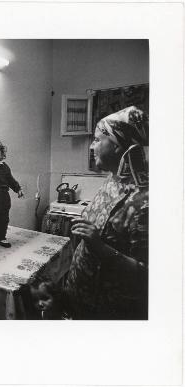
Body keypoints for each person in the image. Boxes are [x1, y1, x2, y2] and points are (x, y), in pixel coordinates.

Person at [64, 106, 149, 320]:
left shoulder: (146, 202)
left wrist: (100, 248)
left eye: (97, 139)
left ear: (119, 146)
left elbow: (149, 277)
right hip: (79, 297)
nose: (91, 146)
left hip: (107, 313)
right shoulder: (113, 179)